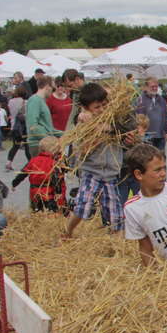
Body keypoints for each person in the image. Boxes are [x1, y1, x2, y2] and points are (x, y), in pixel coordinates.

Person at [63, 83, 124, 239]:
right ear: (86, 108)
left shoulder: (114, 119)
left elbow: (124, 127)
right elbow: (82, 151)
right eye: (97, 107)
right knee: (83, 206)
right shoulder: (84, 125)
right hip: (92, 171)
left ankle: (118, 246)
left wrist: (106, 128)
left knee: (115, 215)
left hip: (110, 172)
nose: (102, 109)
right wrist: (96, 133)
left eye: (104, 105)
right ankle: (67, 232)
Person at [11, 135, 66, 213]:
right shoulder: (54, 163)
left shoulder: (33, 161)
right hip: (48, 195)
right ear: (55, 150)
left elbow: (22, 173)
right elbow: (57, 180)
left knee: (36, 212)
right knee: (51, 213)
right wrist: (59, 195)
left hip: (34, 194)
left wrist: (14, 183)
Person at [25, 75, 62, 155]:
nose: (53, 91)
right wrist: (49, 139)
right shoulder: (35, 100)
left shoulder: (41, 101)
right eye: (53, 88)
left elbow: (48, 128)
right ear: (47, 86)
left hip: (45, 143)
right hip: (39, 144)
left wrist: (65, 134)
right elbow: (33, 125)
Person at [135, 76, 167, 151]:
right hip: (147, 135)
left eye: (156, 86)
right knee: (148, 156)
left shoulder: (161, 99)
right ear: (146, 87)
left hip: (160, 135)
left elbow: (165, 116)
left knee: (160, 156)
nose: (154, 88)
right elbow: (139, 118)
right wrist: (140, 132)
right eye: (152, 86)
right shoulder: (140, 100)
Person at [5, 86, 29, 171]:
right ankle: (30, 162)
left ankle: (9, 162)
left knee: (15, 146)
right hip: (24, 128)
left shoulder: (10, 102)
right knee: (27, 146)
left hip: (14, 126)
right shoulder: (26, 102)